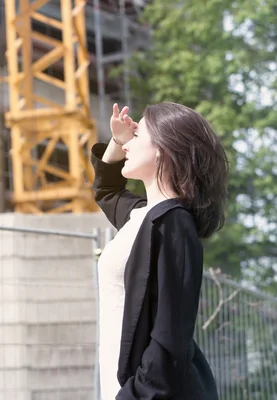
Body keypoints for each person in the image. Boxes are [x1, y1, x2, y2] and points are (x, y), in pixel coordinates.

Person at [91, 102, 227, 399]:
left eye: (138, 135)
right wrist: (117, 141)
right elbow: (107, 190)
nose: (129, 141)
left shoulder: (173, 223)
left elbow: (169, 338)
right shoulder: (142, 216)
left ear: (163, 149)